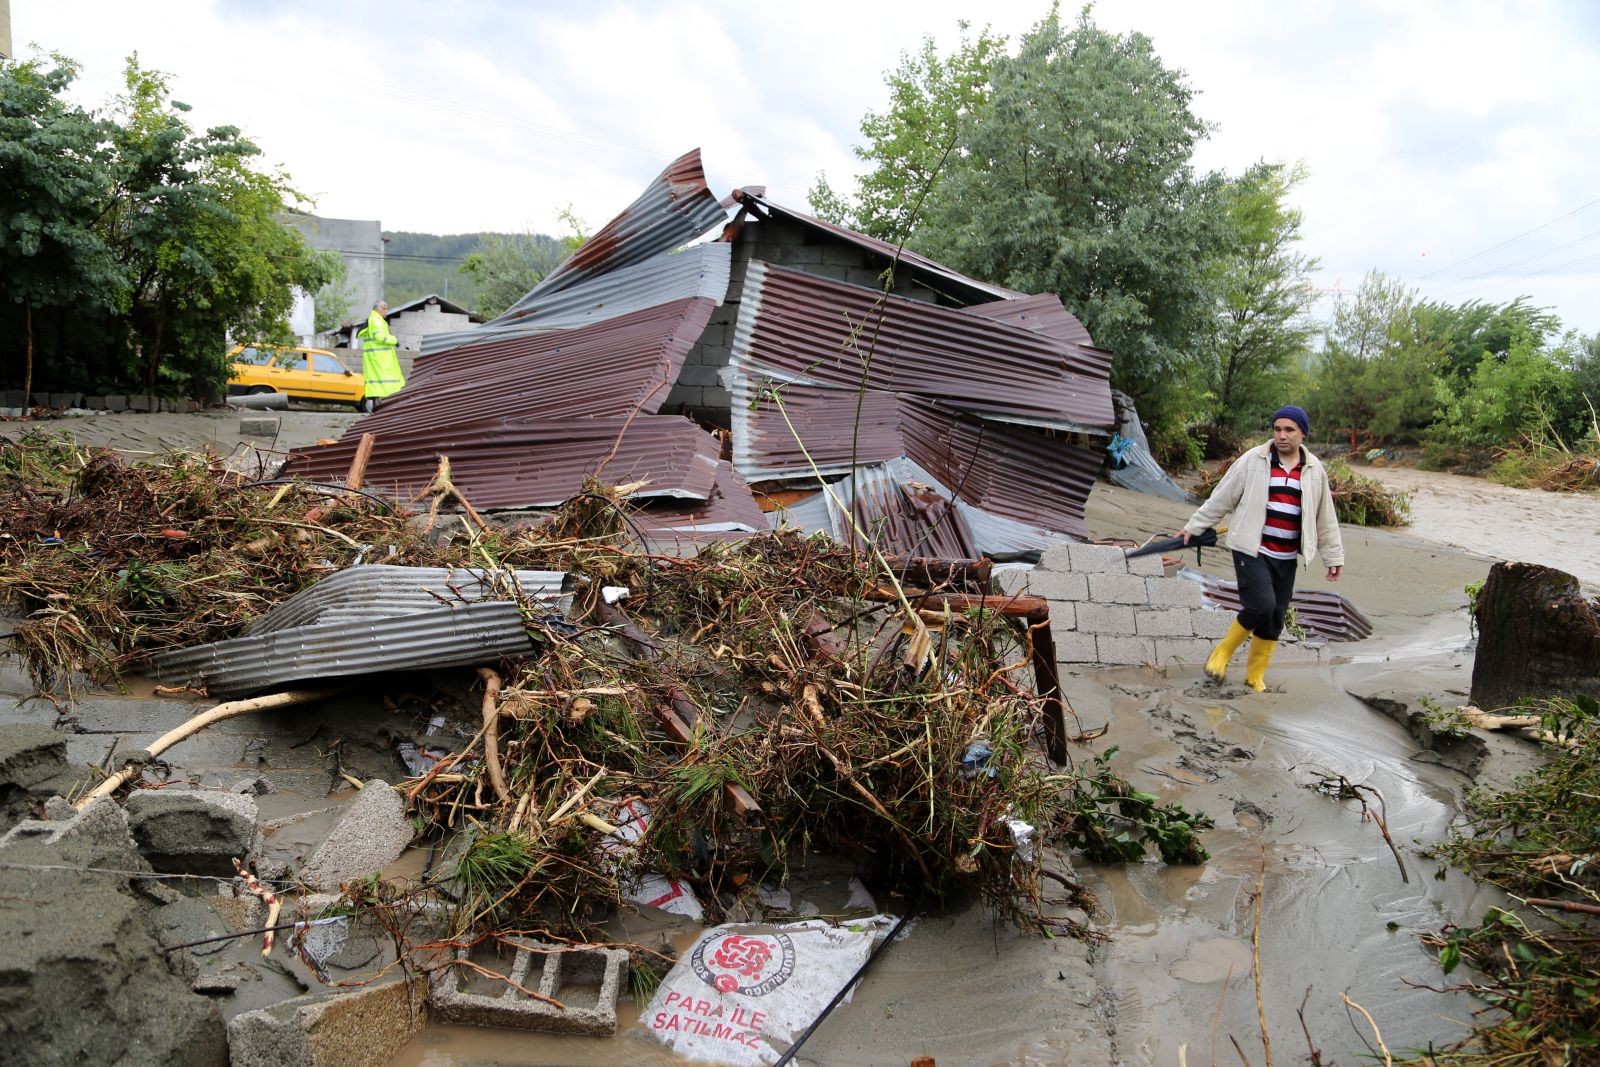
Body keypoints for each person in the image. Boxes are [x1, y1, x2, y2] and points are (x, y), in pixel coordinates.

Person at [1179, 405, 1344, 691]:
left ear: (1302, 433)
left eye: (1289, 430)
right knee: (1261, 606)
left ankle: (1254, 677)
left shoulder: (1315, 470)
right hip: (1251, 550)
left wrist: (1334, 557)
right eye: (1277, 429)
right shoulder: (1253, 460)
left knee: (1275, 617)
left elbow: (1325, 517)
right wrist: (1194, 527)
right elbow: (1222, 498)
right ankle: (1221, 655)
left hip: (1286, 556)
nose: (1282, 435)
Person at [357, 300, 404, 406]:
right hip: (380, 360)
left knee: (378, 386)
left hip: (376, 359)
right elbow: (380, 338)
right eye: (385, 308)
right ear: (379, 309)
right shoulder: (376, 320)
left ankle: (376, 408)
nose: (387, 311)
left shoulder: (374, 320)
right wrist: (394, 339)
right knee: (384, 386)